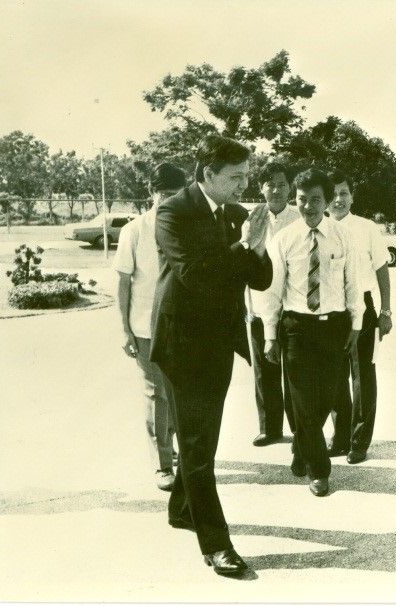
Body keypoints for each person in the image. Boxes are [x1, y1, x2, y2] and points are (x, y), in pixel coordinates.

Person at [150, 134, 273, 578]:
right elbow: (195, 275)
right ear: (208, 174)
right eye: (236, 177)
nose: (244, 185)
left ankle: (182, 509)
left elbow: (260, 280)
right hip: (181, 344)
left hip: (218, 341)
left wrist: (257, 246)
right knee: (198, 445)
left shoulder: (237, 215)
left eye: (246, 176)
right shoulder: (173, 212)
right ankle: (217, 544)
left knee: (203, 437)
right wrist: (243, 245)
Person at [261, 168, 363, 497]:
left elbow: (353, 283)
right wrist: (270, 335)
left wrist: (356, 324)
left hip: (334, 327)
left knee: (327, 397)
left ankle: (301, 447)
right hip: (297, 328)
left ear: (327, 200)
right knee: (303, 401)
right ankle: (319, 470)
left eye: (315, 200)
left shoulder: (343, 236)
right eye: (302, 199)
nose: (308, 207)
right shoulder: (284, 239)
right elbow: (272, 291)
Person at [114, 162, 186, 492]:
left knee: (181, 393)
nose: (169, 201)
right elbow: (123, 283)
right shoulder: (134, 230)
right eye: (164, 194)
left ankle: (180, 451)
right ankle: (163, 464)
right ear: (151, 192)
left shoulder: (189, 226)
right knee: (157, 394)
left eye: (176, 194)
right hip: (146, 328)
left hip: (183, 326)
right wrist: (125, 330)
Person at [326, 170, 393, 464]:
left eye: (344, 193)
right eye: (333, 194)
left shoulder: (367, 228)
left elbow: (382, 270)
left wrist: (386, 310)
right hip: (330, 309)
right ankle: (340, 437)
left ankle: (359, 441)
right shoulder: (320, 227)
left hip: (362, 308)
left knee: (362, 376)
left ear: (352, 196)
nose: (338, 199)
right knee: (334, 377)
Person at [245, 161, 300, 447]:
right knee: (264, 370)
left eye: (282, 184)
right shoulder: (252, 219)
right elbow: (245, 262)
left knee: (293, 370)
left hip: (292, 307)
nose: (276, 190)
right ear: (261, 188)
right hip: (259, 305)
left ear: (290, 187)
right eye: (270, 185)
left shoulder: (300, 218)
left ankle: (299, 428)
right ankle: (270, 428)